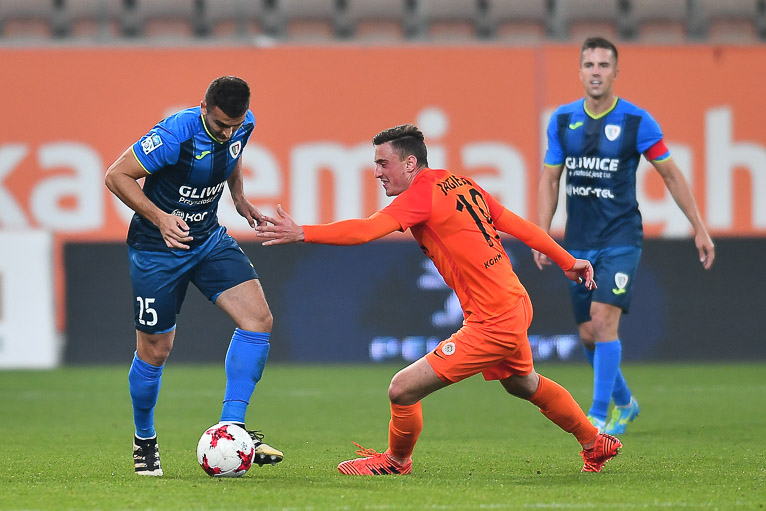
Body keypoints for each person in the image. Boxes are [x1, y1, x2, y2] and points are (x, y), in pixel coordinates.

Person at [256, 124, 622, 475]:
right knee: (522, 383)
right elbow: (517, 224)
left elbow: (366, 230)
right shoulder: (461, 183)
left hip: (494, 319)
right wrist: (567, 261)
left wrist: (303, 232)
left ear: (409, 163)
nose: (377, 172)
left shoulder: (421, 195)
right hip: (514, 302)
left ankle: (396, 461)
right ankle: (594, 443)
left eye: (383, 163)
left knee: (402, 389)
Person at [534, 37, 715, 435]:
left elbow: (671, 175)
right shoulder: (562, 121)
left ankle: (598, 417)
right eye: (589, 65)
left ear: (616, 72)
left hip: (621, 237)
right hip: (578, 240)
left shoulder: (637, 121)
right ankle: (625, 403)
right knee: (587, 334)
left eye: (603, 65)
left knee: (603, 321)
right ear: (579, 72)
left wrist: (698, 226)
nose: (596, 72)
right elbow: (550, 179)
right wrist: (542, 234)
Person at [104, 76, 283, 476]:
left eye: (234, 125)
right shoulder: (175, 135)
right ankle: (144, 439)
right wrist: (160, 217)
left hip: (207, 240)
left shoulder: (242, 124)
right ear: (203, 108)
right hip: (157, 249)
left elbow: (233, 154)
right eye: (220, 125)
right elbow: (116, 175)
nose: (227, 133)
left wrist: (239, 197)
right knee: (155, 350)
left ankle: (232, 429)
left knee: (258, 319)